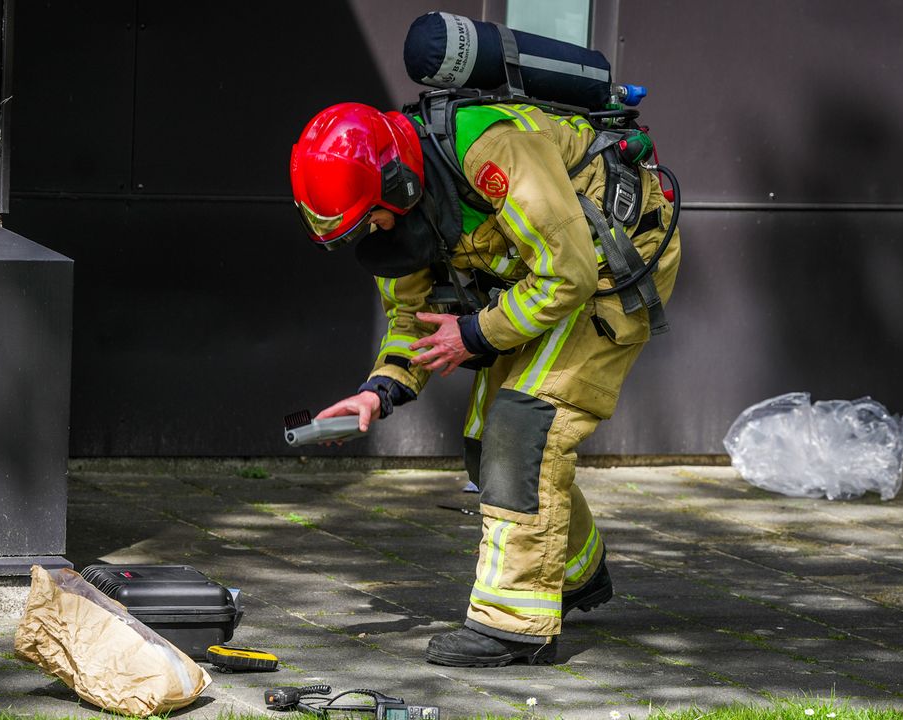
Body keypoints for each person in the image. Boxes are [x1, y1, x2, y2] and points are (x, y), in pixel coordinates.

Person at [289, 100, 681, 667]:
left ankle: (516, 624)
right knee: (484, 446)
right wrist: (379, 390)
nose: (370, 234)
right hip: (547, 275)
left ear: (397, 186)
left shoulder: (491, 150)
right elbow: (411, 320)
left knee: (525, 428)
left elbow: (566, 273)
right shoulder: (403, 215)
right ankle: (575, 573)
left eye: (369, 219)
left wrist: (474, 334)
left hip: (614, 261)